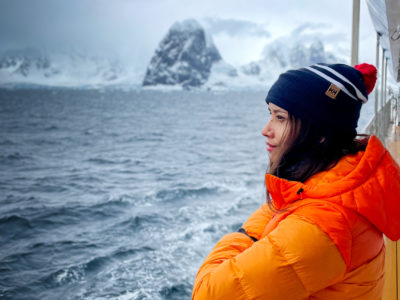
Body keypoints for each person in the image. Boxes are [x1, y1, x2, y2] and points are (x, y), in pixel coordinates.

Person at [192, 63, 400, 299]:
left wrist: (246, 235)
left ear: (321, 132)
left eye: (280, 118)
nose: (265, 129)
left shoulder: (323, 224)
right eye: (269, 114)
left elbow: (207, 293)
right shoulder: (342, 184)